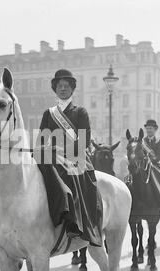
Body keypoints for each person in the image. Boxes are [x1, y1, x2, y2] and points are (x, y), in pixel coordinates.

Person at [35, 69, 103, 247]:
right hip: (53, 157)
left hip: (76, 156)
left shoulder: (80, 112)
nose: (63, 89)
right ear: (55, 89)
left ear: (72, 90)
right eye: (59, 86)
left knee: (71, 174)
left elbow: (84, 140)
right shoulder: (48, 114)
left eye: (66, 86)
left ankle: (74, 221)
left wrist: (62, 150)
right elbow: (41, 140)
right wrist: (43, 149)